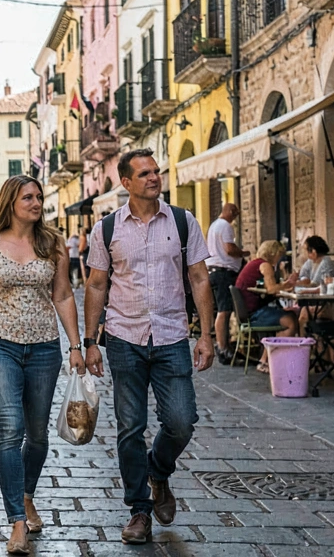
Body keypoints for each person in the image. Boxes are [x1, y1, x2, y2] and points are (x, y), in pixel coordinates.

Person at [83, 149, 216, 545]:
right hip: (124, 338)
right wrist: (90, 341)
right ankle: (139, 509)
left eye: (156, 171)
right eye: (144, 173)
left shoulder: (182, 221)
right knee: (130, 428)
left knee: (181, 420)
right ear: (126, 182)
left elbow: (199, 277)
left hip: (173, 336)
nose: (154, 178)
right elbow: (96, 285)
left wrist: (206, 335)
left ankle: (159, 470)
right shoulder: (107, 229)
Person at [0, 176, 84, 554]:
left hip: (45, 348)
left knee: (39, 436)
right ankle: (16, 519)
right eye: (27, 197)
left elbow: (62, 294)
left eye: (38, 197)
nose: (35, 202)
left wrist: (76, 345)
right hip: (0, 347)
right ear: (10, 201)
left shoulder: (53, 242)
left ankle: (27, 493)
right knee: (10, 431)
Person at [234, 240, 301, 373]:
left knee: (288, 315)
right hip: (254, 313)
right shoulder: (265, 265)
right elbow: (271, 289)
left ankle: (266, 359)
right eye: (279, 255)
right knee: (291, 322)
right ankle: (271, 361)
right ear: (273, 253)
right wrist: (287, 284)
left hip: (247, 312)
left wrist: (285, 285)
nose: (279, 259)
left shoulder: (254, 263)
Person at [206, 203, 248, 365]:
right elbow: (229, 249)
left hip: (214, 271)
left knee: (223, 310)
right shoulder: (225, 226)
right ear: (230, 211)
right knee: (224, 311)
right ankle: (223, 348)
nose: (236, 218)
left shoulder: (214, 225)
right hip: (223, 272)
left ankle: (225, 346)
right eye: (235, 214)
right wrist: (243, 253)